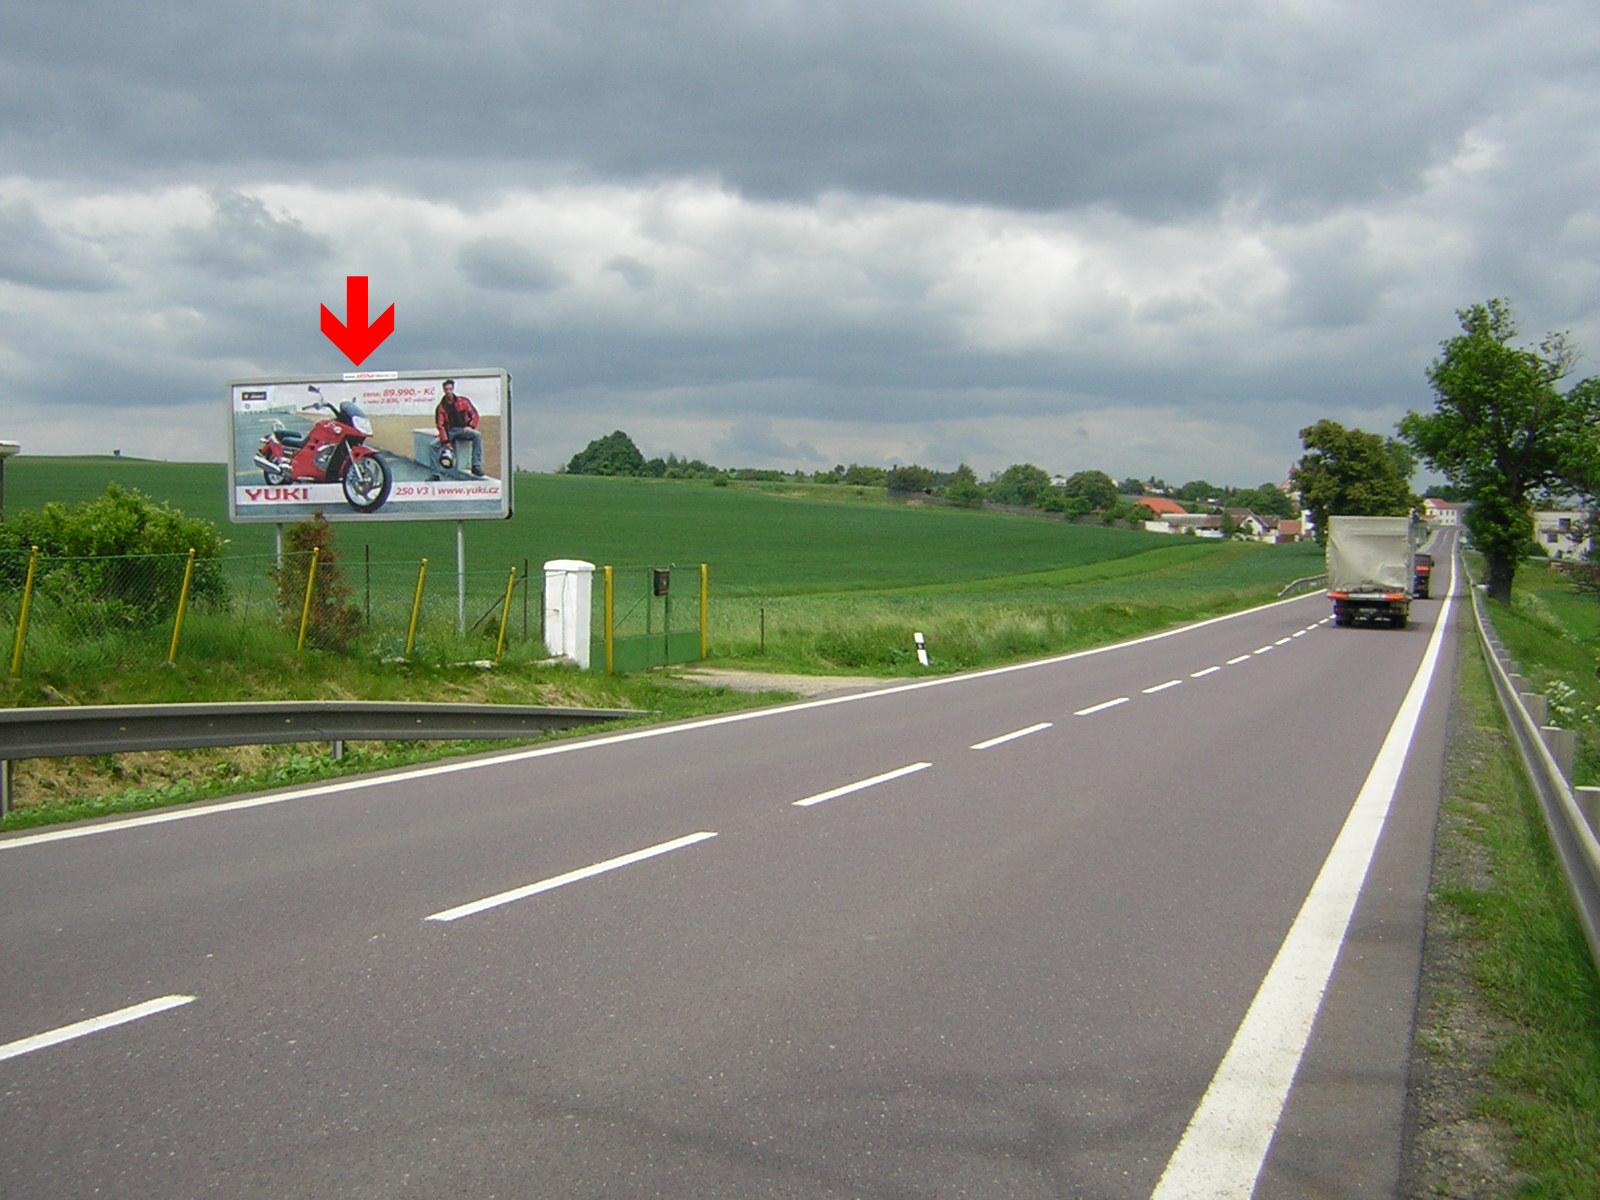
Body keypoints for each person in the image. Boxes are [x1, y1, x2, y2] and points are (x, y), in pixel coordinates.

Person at [432, 379, 483, 478]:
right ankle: (435, 474)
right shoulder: (441, 407)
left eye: (450, 389)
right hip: (449, 432)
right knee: (433, 445)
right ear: (443, 390)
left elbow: (474, 414)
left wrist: (471, 426)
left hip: (463, 430)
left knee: (477, 435)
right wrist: (446, 442)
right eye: (446, 389)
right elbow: (440, 425)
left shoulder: (463, 401)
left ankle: (476, 466)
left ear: (453, 389)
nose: (448, 391)